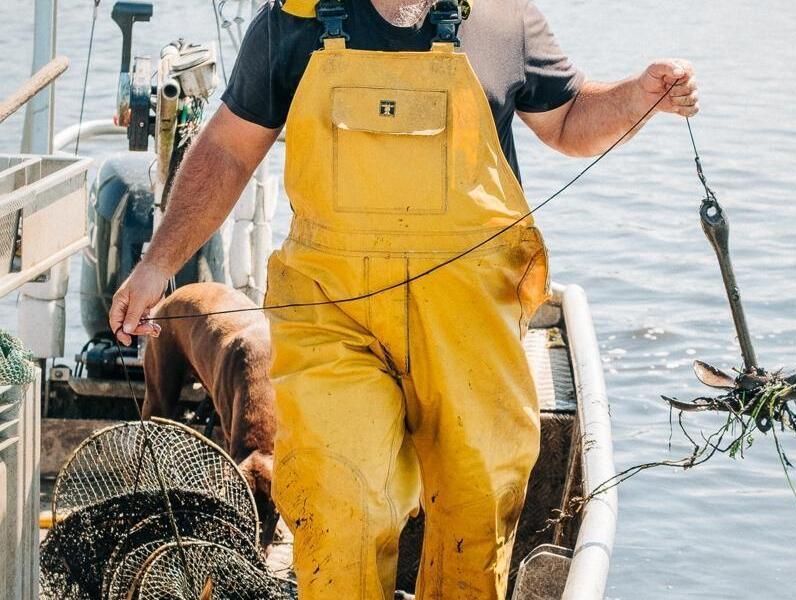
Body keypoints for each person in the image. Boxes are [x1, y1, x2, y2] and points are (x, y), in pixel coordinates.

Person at [110, 0, 698, 598]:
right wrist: (158, 264)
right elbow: (230, 149)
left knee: (478, 501)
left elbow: (567, 119)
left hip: (472, 323)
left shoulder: (505, 20)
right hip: (334, 316)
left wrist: (635, 95)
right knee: (340, 498)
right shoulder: (291, 22)